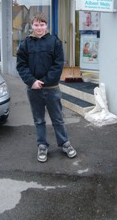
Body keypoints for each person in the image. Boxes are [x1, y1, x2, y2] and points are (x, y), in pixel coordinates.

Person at [16, 12, 77, 163]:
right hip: (33, 89)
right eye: (36, 25)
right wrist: (32, 82)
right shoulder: (25, 44)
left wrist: (44, 81)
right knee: (38, 120)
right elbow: (21, 66)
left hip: (52, 88)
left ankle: (64, 143)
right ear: (32, 26)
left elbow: (58, 65)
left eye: (42, 24)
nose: (39, 28)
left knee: (58, 118)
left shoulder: (54, 42)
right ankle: (42, 145)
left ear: (46, 25)